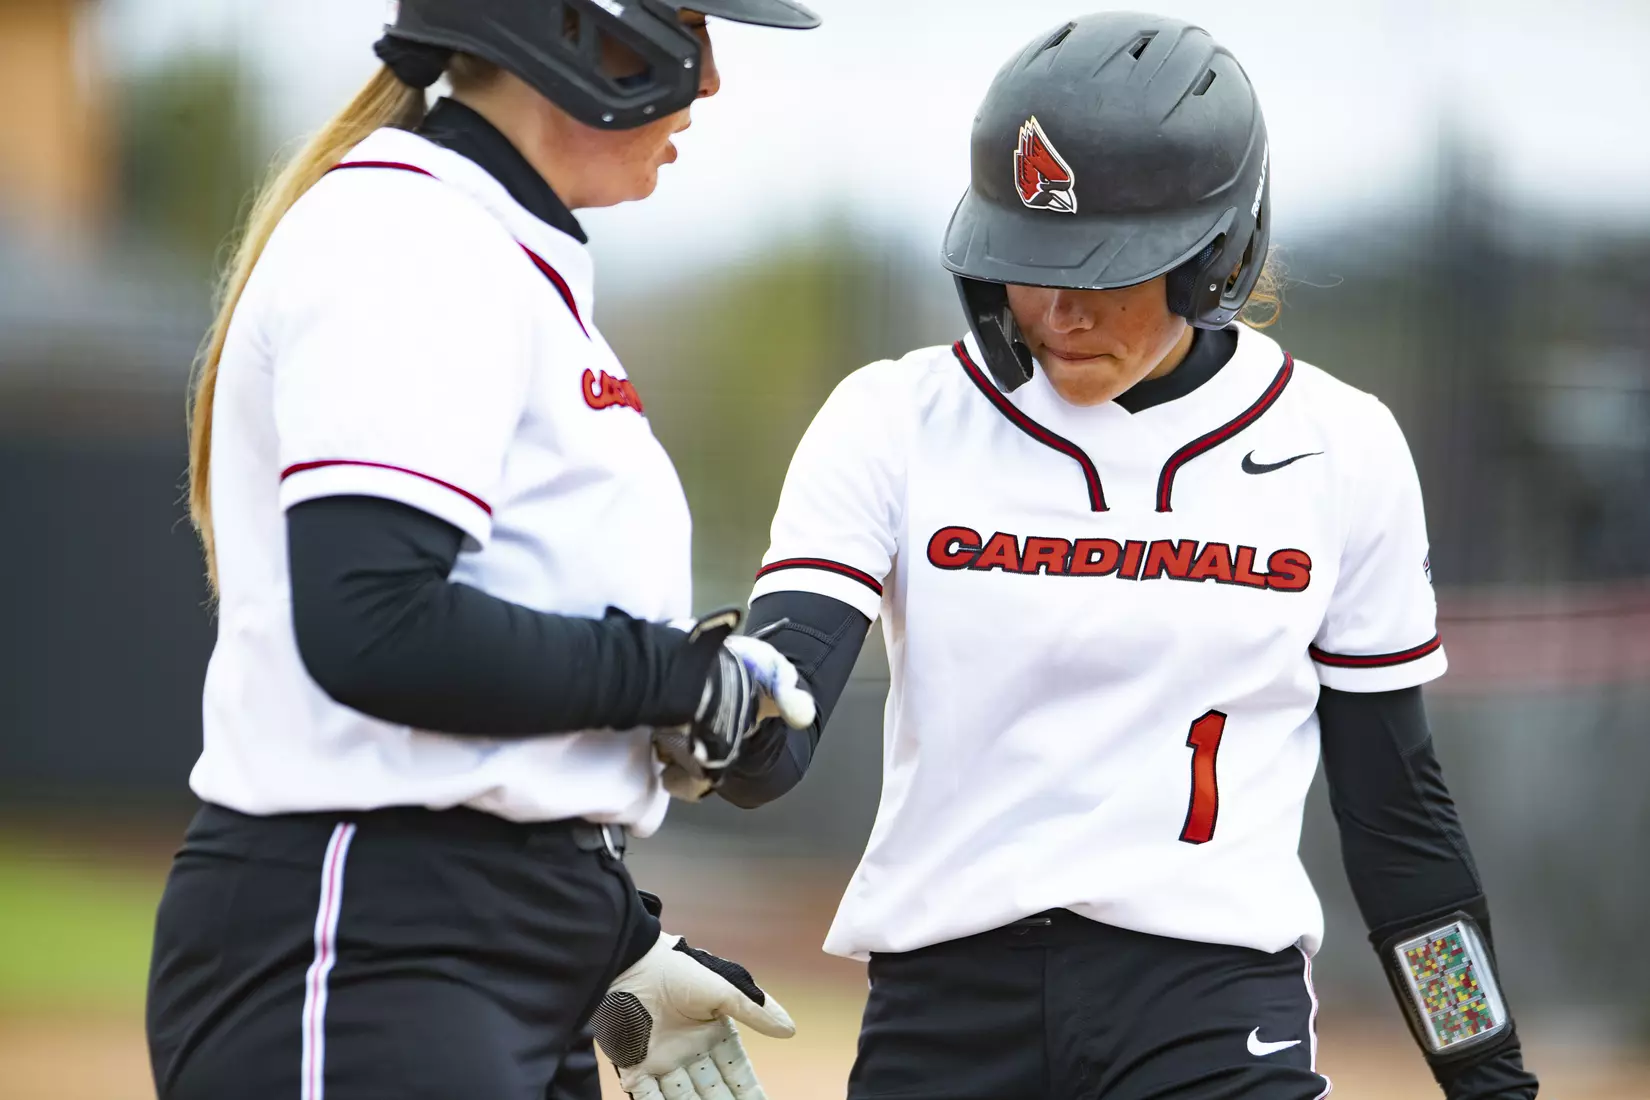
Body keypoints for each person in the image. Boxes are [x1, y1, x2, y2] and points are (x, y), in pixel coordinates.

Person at [723, 13, 1541, 1100]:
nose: (1058, 310)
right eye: (1027, 262)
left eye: (1106, 268)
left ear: (1220, 254)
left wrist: (1489, 1075)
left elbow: (1399, 821)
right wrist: (707, 710)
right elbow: (772, 721)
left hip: (1212, 1013)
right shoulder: (895, 418)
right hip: (946, 1007)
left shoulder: (1339, 445)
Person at [144, 3, 822, 1099]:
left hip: (482, 948)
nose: (709, 79)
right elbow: (373, 624)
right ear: (573, 25)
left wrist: (605, 936)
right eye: (687, 24)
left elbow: (503, 716)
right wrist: (676, 677)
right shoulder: (406, 237)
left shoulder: (500, 251)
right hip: (367, 938)